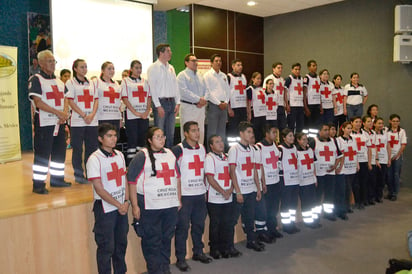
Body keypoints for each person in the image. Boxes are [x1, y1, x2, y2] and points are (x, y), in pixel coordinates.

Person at [127, 127, 181, 274]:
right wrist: (135, 206)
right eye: (158, 137)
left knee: (166, 239)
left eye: (163, 136)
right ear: (150, 140)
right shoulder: (142, 156)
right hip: (149, 206)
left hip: (169, 205)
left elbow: (177, 177)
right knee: (152, 241)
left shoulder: (170, 153)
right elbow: (131, 180)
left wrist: (179, 199)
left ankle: (165, 268)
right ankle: (155, 270)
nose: (162, 139)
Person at [86, 123, 129, 274]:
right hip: (105, 208)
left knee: (121, 244)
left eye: (115, 135)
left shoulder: (120, 155)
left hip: (121, 207)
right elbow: (99, 188)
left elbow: (124, 181)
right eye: (109, 136)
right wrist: (119, 204)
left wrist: (126, 202)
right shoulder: (94, 159)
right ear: (100, 138)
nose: (113, 139)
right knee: (106, 247)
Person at [28, 50, 71, 194]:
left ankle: (57, 180)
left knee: (59, 153)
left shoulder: (59, 81)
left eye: (54, 61)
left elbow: (66, 98)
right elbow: (38, 102)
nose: (53, 64)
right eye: (49, 61)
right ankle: (38, 184)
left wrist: (64, 113)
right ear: (40, 63)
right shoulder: (36, 79)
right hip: (44, 123)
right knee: (42, 154)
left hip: (59, 123)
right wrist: (58, 112)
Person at [172, 121, 211, 272]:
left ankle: (198, 252)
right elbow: (174, 173)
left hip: (200, 193)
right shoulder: (178, 150)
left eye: (198, 130)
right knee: (182, 228)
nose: (197, 133)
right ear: (186, 133)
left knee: (199, 226)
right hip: (185, 196)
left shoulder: (202, 148)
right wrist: (177, 197)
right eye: (193, 131)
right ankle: (180, 258)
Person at [228, 121, 263, 251]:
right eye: (248, 132)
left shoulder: (252, 149)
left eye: (252, 132)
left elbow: (254, 169)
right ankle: (229, 246)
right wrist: (238, 192)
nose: (251, 134)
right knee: (233, 220)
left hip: (251, 190)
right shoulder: (234, 149)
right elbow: (232, 171)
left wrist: (258, 188)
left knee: (250, 217)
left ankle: (251, 241)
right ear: (241, 134)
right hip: (240, 191)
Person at [66, 59, 98, 184]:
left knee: (91, 149)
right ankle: (79, 175)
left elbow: (96, 99)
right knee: (77, 149)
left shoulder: (92, 83)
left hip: (92, 121)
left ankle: (90, 173)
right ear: (75, 69)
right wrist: (84, 115)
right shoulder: (70, 82)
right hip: (78, 122)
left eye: (86, 67)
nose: (84, 69)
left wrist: (92, 114)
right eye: (81, 67)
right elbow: (70, 101)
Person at [205, 134, 237, 259]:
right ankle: (215, 249)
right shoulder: (209, 158)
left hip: (228, 196)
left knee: (227, 223)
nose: (221, 144)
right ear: (211, 146)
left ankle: (226, 248)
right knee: (215, 224)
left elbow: (233, 174)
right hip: (215, 198)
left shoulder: (227, 157)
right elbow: (210, 178)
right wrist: (223, 191)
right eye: (217, 142)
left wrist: (231, 189)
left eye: (221, 141)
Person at [147, 44, 180, 148]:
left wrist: (178, 102)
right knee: (159, 133)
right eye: (168, 51)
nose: (170, 53)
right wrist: (158, 105)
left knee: (170, 133)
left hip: (172, 102)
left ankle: (169, 154)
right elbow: (152, 88)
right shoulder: (153, 68)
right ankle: (159, 154)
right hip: (161, 102)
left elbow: (175, 85)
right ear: (161, 53)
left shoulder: (171, 68)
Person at [256, 124, 283, 239]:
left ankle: (273, 227)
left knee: (274, 207)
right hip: (266, 183)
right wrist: (262, 182)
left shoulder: (275, 146)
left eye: (276, 132)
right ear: (266, 133)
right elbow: (259, 166)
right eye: (273, 132)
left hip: (276, 181)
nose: (275, 135)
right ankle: (264, 230)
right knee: (265, 208)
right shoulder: (259, 146)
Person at [121, 60, 151, 165]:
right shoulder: (125, 81)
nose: (139, 70)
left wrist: (147, 111)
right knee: (132, 139)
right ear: (131, 69)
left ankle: (141, 162)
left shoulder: (145, 81)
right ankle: (131, 164)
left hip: (144, 116)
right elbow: (124, 98)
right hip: (131, 115)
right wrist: (135, 112)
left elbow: (149, 97)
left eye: (140, 68)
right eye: (136, 68)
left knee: (142, 139)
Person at [311, 124, 343, 221]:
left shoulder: (333, 141)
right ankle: (315, 216)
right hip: (319, 174)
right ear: (320, 131)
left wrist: (334, 166)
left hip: (331, 173)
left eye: (328, 130)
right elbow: (309, 157)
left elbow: (339, 155)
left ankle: (328, 213)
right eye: (325, 130)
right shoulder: (314, 141)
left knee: (330, 194)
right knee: (317, 196)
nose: (327, 132)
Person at [177, 54, 207, 145]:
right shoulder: (182, 75)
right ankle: (186, 154)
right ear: (186, 63)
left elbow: (207, 90)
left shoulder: (200, 75)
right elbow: (183, 92)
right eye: (193, 61)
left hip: (200, 108)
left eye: (196, 60)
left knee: (200, 132)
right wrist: (198, 99)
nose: (196, 63)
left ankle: (199, 153)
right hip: (188, 108)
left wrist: (203, 100)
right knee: (188, 132)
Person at [250, 134, 273, 244]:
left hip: (258, 183)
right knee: (250, 212)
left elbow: (261, 166)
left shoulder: (257, 149)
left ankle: (261, 232)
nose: (252, 139)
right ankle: (251, 234)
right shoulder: (243, 151)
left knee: (262, 211)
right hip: (250, 185)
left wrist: (263, 182)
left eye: (253, 136)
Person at [204, 54, 230, 146]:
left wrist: (226, 102)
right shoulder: (207, 75)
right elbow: (208, 92)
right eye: (216, 61)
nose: (219, 63)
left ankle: (220, 152)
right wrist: (218, 103)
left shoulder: (224, 75)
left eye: (220, 61)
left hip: (224, 106)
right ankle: (211, 153)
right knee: (212, 132)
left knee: (222, 132)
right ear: (211, 63)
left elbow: (227, 90)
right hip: (213, 106)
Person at [295, 132, 321, 228]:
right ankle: (308, 221)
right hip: (302, 182)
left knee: (313, 201)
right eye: (303, 139)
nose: (305, 141)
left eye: (306, 139)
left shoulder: (310, 150)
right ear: (298, 140)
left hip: (311, 179)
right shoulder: (296, 152)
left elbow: (313, 164)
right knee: (306, 203)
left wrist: (315, 178)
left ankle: (315, 219)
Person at [278, 128, 300, 234]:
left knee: (293, 204)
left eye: (293, 136)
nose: (292, 138)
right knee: (286, 204)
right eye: (289, 136)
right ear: (284, 138)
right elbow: (278, 165)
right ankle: (286, 225)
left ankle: (292, 223)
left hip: (295, 179)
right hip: (285, 181)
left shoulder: (294, 147)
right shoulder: (280, 149)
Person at [336, 122, 359, 215]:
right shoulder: (339, 140)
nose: (349, 130)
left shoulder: (353, 139)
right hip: (343, 167)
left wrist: (357, 164)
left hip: (352, 167)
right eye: (348, 128)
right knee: (345, 188)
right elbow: (339, 155)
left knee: (349, 188)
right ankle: (342, 207)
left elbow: (355, 152)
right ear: (343, 129)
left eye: (351, 128)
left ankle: (347, 205)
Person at [95, 61, 122, 132]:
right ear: (102, 70)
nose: (112, 71)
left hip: (115, 117)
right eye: (109, 69)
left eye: (113, 69)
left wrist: (120, 118)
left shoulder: (116, 84)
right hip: (102, 117)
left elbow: (118, 102)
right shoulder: (96, 82)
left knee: (115, 139)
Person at [351, 116, 371, 209]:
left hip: (364, 161)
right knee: (355, 183)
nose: (358, 124)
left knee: (364, 182)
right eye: (356, 122)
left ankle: (363, 200)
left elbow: (369, 149)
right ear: (352, 123)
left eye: (359, 122)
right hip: (354, 162)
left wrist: (369, 162)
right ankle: (356, 201)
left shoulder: (365, 134)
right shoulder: (350, 134)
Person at [328, 123, 347, 220]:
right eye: (331, 129)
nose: (333, 131)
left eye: (334, 129)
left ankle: (341, 211)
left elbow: (341, 155)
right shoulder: (324, 141)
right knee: (331, 193)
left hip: (339, 170)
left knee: (341, 191)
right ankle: (332, 212)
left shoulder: (338, 140)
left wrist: (339, 167)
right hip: (330, 171)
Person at [386, 114, 407, 201]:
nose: (395, 123)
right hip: (387, 156)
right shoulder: (386, 130)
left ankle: (395, 193)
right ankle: (390, 192)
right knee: (389, 175)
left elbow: (403, 145)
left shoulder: (402, 131)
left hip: (397, 157)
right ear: (390, 121)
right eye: (393, 121)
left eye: (397, 121)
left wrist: (397, 155)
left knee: (396, 175)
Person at [263, 62, 288, 131]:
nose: (280, 69)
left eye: (281, 68)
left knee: (283, 126)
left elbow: (284, 93)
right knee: (274, 127)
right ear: (273, 69)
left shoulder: (282, 80)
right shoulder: (268, 78)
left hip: (281, 106)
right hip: (272, 107)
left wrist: (286, 104)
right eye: (278, 68)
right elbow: (264, 93)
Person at [227, 59, 248, 136]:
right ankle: (233, 147)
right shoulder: (229, 77)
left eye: (241, 65)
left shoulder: (243, 77)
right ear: (233, 66)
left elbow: (245, 93)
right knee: (233, 130)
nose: (240, 67)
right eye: (238, 65)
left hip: (243, 107)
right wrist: (229, 109)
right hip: (234, 108)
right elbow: (226, 94)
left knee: (243, 129)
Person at [246, 72, 266, 142]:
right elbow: (248, 102)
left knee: (262, 132)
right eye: (257, 78)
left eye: (260, 79)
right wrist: (249, 114)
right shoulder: (250, 89)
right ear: (253, 79)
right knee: (255, 131)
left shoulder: (262, 89)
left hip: (263, 113)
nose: (259, 80)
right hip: (255, 113)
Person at [285, 63, 304, 133]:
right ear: (292, 70)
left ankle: (298, 140)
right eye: (296, 69)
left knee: (300, 125)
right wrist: (287, 104)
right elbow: (285, 92)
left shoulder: (301, 79)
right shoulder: (289, 79)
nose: (297, 71)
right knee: (291, 125)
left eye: (299, 69)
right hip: (292, 106)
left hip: (300, 106)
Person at [373, 117, 390, 203]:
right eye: (379, 123)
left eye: (382, 123)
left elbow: (388, 146)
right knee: (374, 179)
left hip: (384, 159)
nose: (380, 125)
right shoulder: (372, 133)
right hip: (375, 159)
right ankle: (373, 196)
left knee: (382, 179)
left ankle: (379, 196)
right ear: (374, 124)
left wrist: (389, 159)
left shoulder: (385, 134)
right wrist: (376, 159)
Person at [303, 60, 322, 129]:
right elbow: (304, 93)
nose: (315, 67)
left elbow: (319, 92)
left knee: (316, 125)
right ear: (309, 67)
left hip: (317, 105)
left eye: (316, 65)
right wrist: (305, 107)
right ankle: (308, 139)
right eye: (313, 66)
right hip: (309, 105)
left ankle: (315, 139)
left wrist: (321, 106)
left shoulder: (318, 78)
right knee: (309, 125)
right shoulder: (307, 78)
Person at [363, 116, 377, 205]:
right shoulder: (362, 133)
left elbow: (375, 146)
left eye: (371, 121)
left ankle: (371, 197)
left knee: (372, 180)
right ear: (363, 123)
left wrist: (376, 159)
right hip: (365, 159)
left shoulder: (373, 133)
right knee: (365, 181)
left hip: (373, 159)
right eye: (368, 121)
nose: (370, 123)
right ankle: (364, 199)